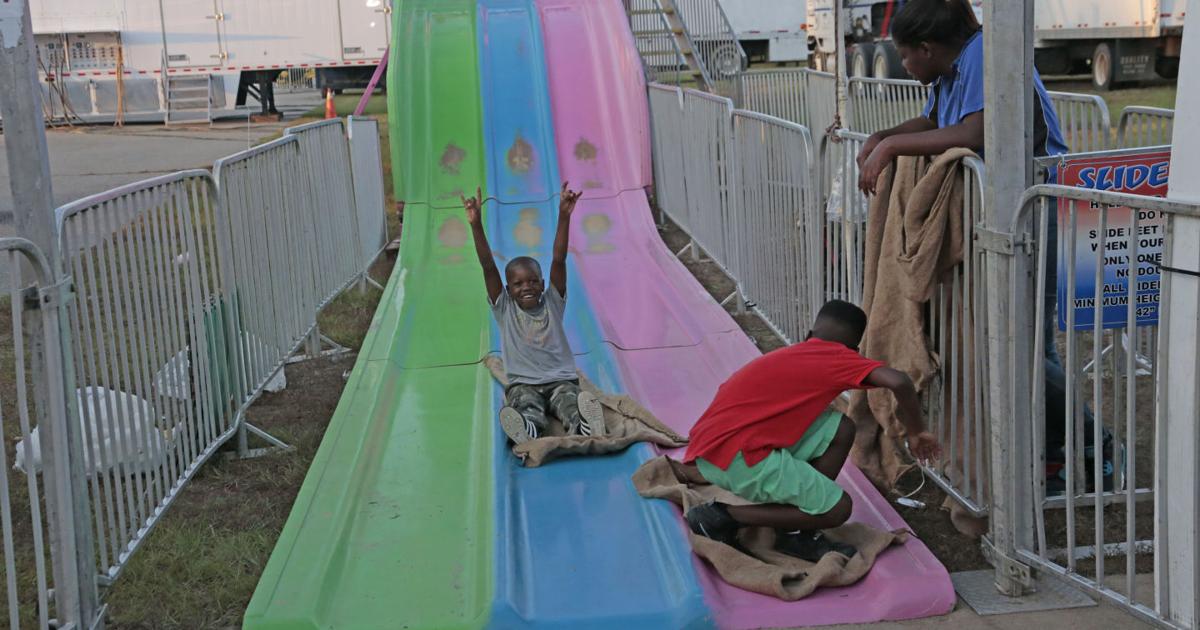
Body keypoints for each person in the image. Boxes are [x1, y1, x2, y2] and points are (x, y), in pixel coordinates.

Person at [854, 0, 1108, 491]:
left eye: (906, 57)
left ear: (927, 48)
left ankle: (1093, 443)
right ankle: (1047, 455)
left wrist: (889, 149)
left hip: (1035, 206)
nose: (905, 67)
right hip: (997, 208)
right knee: (1014, 339)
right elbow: (932, 123)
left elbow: (975, 131)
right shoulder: (950, 68)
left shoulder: (984, 53)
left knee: (1023, 346)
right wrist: (882, 135)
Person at [680, 300, 941, 562]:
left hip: (711, 450)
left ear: (808, 335)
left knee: (841, 427)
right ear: (853, 349)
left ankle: (795, 529)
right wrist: (917, 432)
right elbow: (899, 381)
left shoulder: (791, 354)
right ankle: (722, 516)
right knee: (838, 509)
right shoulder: (839, 358)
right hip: (737, 458)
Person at [463, 182, 606, 444]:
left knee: (570, 404)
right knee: (526, 407)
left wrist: (564, 216)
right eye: (518, 284)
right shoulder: (504, 308)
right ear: (508, 289)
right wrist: (475, 225)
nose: (526, 287)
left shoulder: (553, 301)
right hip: (523, 384)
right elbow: (488, 266)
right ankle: (527, 430)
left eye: (532, 281)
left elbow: (559, 259)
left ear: (542, 284)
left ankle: (586, 427)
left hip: (560, 380)